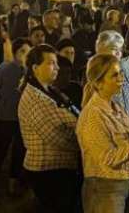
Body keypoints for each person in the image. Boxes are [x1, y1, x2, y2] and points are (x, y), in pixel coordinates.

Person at [77, 54, 129, 212]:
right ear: (99, 83)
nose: (121, 78)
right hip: (105, 186)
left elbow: (123, 139)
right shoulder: (93, 115)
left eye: (121, 73)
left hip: (128, 179)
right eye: (114, 75)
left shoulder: (116, 107)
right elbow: (108, 159)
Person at [18, 44, 81, 212]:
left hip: (59, 167)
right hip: (47, 169)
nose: (57, 68)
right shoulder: (35, 99)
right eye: (51, 63)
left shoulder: (50, 89)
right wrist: (82, 144)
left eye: (56, 63)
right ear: (35, 68)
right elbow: (56, 137)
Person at [0, 38, 31, 204]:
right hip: (5, 118)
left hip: (23, 119)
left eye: (28, 52)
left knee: (19, 151)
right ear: (15, 52)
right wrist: (0, 104)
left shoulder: (30, 72)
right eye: (22, 51)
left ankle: (13, 183)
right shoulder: (4, 68)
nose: (25, 55)